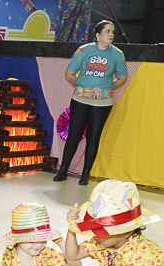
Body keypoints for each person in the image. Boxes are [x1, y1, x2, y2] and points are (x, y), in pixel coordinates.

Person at [54, 20, 128, 186]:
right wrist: (82, 87)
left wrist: (107, 88)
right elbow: (69, 74)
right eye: (107, 31)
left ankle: (85, 174)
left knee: (93, 137)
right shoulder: (84, 50)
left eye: (112, 32)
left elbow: (122, 78)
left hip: (102, 104)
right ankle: (63, 170)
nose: (111, 35)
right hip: (80, 100)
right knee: (74, 134)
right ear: (98, 34)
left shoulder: (117, 54)